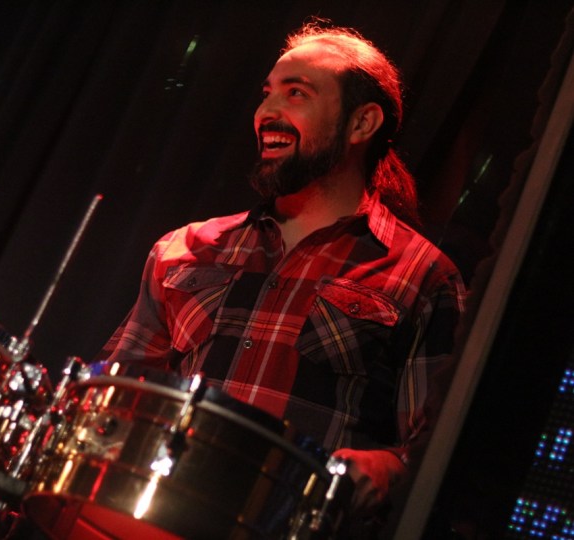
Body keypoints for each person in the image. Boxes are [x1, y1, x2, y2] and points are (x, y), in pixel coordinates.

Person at [98, 20, 466, 536]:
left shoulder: (423, 275)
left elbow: (437, 450)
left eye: (296, 93)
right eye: (267, 93)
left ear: (362, 123)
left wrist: (390, 468)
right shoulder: (184, 248)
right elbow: (114, 396)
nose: (266, 112)